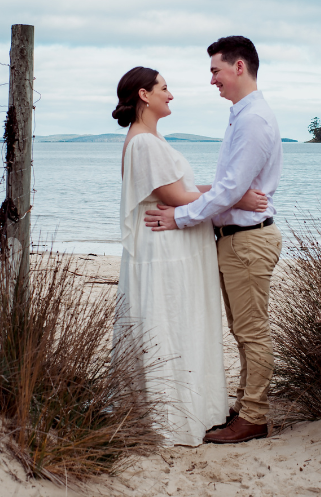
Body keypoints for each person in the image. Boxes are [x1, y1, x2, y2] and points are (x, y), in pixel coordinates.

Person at [112, 66, 268, 447]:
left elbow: (181, 189)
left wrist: (222, 190)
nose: (171, 94)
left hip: (175, 247)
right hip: (167, 251)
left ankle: (192, 408)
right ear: (144, 96)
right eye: (165, 88)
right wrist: (235, 195)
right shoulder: (144, 143)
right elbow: (178, 199)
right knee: (171, 322)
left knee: (180, 323)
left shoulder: (151, 139)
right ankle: (173, 415)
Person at [144, 36, 282, 444]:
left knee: (252, 331)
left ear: (239, 67)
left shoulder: (254, 119)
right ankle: (245, 406)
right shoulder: (242, 116)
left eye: (215, 71)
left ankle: (254, 416)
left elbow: (228, 190)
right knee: (244, 331)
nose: (212, 81)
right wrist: (221, 198)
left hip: (247, 241)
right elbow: (229, 189)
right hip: (238, 238)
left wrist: (180, 217)